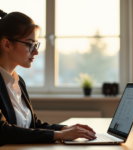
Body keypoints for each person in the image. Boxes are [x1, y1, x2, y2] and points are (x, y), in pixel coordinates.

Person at [0, 10, 96, 146]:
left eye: (36, 44)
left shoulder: (18, 81)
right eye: (29, 44)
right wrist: (59, 135)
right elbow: (2, 131)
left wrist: (64, 129)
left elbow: (32, 125)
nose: (36, 51)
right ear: (7, 45)